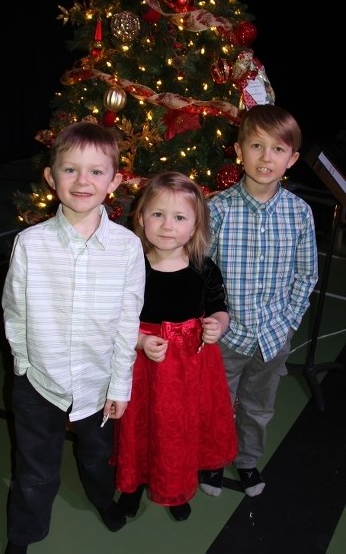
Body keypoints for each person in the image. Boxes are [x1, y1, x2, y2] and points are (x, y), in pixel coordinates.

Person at [2, 121, 145, 554]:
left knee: (99, 456)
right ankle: (24, 534)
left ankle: (102, 499)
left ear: (115, 181)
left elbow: (127, 320)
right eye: (70, 170)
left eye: (96, 171)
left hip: (98, 385)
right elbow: (15, 309)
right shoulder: (30, 243)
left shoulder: (127, 247)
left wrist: (120, 383)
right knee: (35, 468)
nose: (83, 181)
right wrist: (24, 366)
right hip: (38, 383)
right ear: (51, 176)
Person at [204, 104, 318, 497]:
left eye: (277, 149)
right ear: (239, 151)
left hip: (273, 335)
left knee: (258, 405)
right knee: (218, 402)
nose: (266, 157)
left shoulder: (300, 214)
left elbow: (306, 274)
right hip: (227, 335)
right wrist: (212, 320)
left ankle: (248, 460)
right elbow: (202, 271)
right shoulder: (217, 209)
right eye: (256, 145)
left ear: (293, 159)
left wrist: (288, 321)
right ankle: (214, 459)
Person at [112, 171, 238, 522]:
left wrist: (217, 326)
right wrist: (139, 340)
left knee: (178, 427)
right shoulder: (131, 266)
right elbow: (114, 318)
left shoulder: (203, 268)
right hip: (144, 366)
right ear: (140, 218)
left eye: (180, 217)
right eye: (158, 214)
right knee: (141, 425)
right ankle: (133, 485)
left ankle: (176, 485)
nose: (168, 225)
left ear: (195, 225)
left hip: (190, 367)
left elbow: (219, 308)